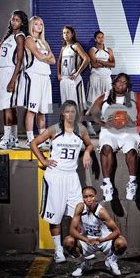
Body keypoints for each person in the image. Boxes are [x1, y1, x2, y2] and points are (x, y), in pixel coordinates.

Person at [30, 100, 94, 263]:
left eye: (73, 111)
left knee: (79, 214)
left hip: (72, 177)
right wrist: (43, 161)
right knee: (55, 217)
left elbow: (90, 145)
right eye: (67, 111)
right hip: (55, 177)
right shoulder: (54, 129)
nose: (70, 114)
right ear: (62, 113)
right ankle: (58, 251)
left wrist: (87, 152)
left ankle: (77, 247)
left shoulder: (82, 129)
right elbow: (33, 143)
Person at [88, 73, 140, 202]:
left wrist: (133, 123)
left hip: (128, 131)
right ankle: (107, 185)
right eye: (119, 81)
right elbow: (91, 114)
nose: (121, 84)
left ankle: (132, 183)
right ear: (114, 83)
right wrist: (103, 123)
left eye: (124, 82)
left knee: (131, 150)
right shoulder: (105, 96)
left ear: (128, 85)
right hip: (109, 131)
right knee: (106, 148)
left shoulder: (134, 96)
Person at [0, 10, 31, 149]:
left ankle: (7, 139)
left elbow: (20, 60)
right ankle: (13, 138)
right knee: (8, 106)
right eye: (12, 19)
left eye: (17, 20)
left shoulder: (20, 36)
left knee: (7, 106)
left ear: (22, 23)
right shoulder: (8, 36)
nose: (13, 22)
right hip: (2, 72)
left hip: (10, 72)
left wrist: (13, 80)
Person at [63, 186, 128, 276]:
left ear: (96, 197)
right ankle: (83, 263)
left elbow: (116, 231)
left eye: (91, 196)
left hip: (103, 241)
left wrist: (101, 240)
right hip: (87, 241)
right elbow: (72, 231)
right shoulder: (80, 208)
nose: (89, 199)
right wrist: (86, 240)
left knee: (122, 242)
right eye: (85, 197)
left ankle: (111, 260)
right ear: (83, 198)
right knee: (68, 241)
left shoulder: (101, 212)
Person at [23, 16, 55, 148]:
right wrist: (45, 57)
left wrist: (45, 58)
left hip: (45, 76)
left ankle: (42, 138)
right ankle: (30, 139)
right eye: (36, 24)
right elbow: (39, 55)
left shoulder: (44, 42)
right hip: (34, 76)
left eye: (41, 24)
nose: (39, 26)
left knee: (43, 110)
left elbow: (53, 60)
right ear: (31, 26)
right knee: (32, 109)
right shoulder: (29, 39)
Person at [56, 26, 92, 133]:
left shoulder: (75, 46)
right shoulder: (63, 48)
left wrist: (77, 72)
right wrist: (58, 73)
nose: (65, 34)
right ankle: (68, 128)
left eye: (67, 32)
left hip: (74, 80)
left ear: (72, 34)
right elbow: (59, 61)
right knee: (66, 105)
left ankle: (79, 128)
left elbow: (86, 59)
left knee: (79, 105)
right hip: (64, 80)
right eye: (63, 33)